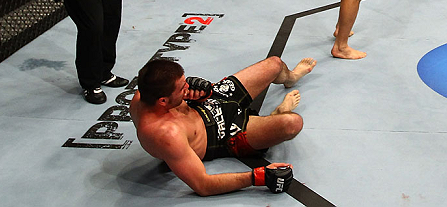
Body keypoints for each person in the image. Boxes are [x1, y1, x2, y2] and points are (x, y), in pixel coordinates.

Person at [129, 56, 317, 196]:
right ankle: (278, 114)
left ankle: (291, 77)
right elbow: (203, 185)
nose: (187, 87)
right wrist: (256, 177)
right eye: (182, 88)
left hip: (211, 101)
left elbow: (175, 92)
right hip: (224, 133)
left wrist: (197, 94)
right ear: (163, 101)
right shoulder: (165, 134)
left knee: (275, 64)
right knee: (292, 123)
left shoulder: (146, 93)